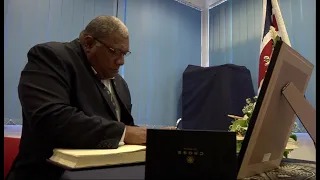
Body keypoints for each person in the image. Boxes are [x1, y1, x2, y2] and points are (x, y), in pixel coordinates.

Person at [7, 15, 167, 180]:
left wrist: (151, 137)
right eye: (115, 52)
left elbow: (121, 131)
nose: (121, 62)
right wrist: (126, 133)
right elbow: (50, 117)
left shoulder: (119, 83)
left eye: (125, 54)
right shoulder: (51, 57)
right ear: (89, 43)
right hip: (49, 175)